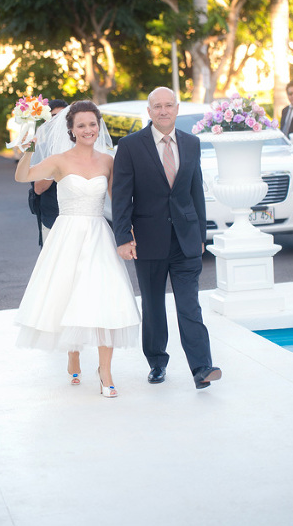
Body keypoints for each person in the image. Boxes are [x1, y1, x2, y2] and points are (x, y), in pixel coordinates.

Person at [14, 100, 141, 398]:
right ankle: (72, 352)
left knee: (105, 297)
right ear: (70, 129)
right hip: (67, 233)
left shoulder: (108, 161)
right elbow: (23, 177)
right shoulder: (59, 160)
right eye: (81, 125)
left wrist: (129, 233)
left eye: (92, 124)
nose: (88, 130)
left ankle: (105, 370)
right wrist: (29, 148)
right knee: (66, 293)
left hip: (98, 233)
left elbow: (118, 202)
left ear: (99, 127)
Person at [111, 87, 221, 389]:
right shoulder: (131, 146)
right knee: (154, 306)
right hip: (147, 240)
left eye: (168, 105)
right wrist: (123, 237)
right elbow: (121, 197)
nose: (163, 111)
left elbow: (195, 191)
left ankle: (202, 368)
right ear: (149, 111)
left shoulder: (192, 143)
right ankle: (157, 362)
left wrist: (201, 234)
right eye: (157, 106)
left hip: (185, 240)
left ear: (176, 109)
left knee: (190, 306)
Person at [31, 98, 68, 247]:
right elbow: (38, 188)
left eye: (63, 116)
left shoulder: (81, 146)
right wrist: (56, 162)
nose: (59, 121)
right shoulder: (42, 148)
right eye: (54, 117)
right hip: (52, 216)